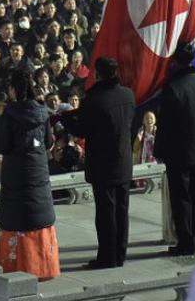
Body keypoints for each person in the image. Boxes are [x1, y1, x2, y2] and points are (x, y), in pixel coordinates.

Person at [61, 57, 135, 269]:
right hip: (123, 160)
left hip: (103, 163)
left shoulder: (94, 99)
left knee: (105, 212)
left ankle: (107, 256)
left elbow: (82, 129)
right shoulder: (128, 95)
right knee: (121, 210)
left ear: (98, 74)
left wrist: (66, 120)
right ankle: (120, 254)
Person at [0, 70, 59, 279]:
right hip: (38, 170)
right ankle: (43, 266)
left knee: (16, 216)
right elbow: (49, 142)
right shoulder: (42, 112)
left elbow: (3, 145)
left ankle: (17, 267)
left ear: (13, 90)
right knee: (37, 213)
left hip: (16, 172)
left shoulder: (9, 114)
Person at [154, 43, 195, 256]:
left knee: (181, 199)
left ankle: (186, 242)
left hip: (178, 152)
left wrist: (159, 151)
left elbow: (165, 126)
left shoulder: (173, 88)